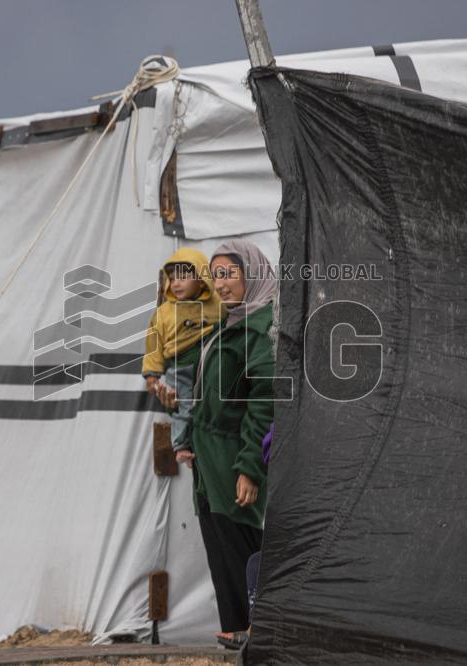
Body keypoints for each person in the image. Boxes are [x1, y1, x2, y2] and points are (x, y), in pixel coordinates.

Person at [157, 239, 276, 648]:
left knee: (242, 548)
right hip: (209, 463)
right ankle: (237, 633)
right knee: (222, 551)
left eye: (230, 274)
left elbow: (264, 404)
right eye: (216, 275)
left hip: (234, 461)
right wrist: (188, 435)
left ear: (252, 274)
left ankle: (258, 636)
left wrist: (250, 468)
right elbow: (204, 390)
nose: (221, 284)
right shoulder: (227, 324)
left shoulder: (261, 329)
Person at [142, 248, 225, 453]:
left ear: (201, 280)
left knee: (215, 401)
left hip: (211, 360)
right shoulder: (164, 313)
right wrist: (152, 375)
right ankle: (181, 445)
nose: (176, 283)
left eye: (183, 277)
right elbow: (154, 343)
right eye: (172, 279)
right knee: (183, 404)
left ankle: (215, 441)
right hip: (180, 366)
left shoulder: (217, 303)